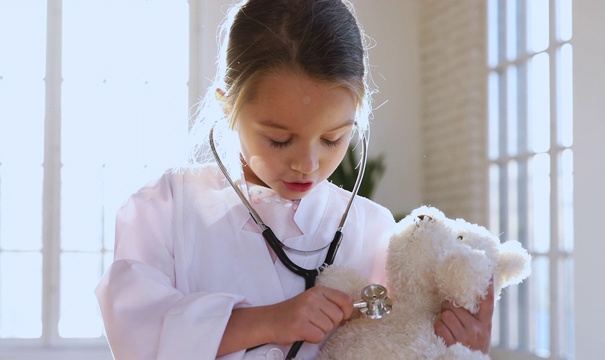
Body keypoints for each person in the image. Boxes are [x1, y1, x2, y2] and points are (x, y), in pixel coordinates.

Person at [95, 0, 493, 359]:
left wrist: (455, 349)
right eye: (279, 139)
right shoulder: (164, 210)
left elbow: (398, 344)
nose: (308, 163)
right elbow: (137, 331)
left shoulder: (372, 231)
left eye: (333, 138)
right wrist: (269, 321)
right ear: (227, 105)